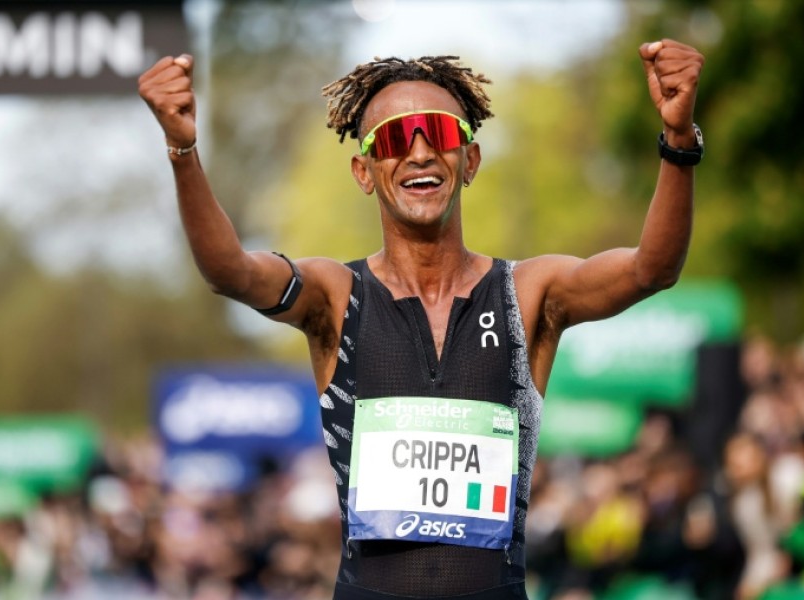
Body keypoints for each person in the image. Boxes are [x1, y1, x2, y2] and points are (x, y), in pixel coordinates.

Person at [138, 39, 704, 600]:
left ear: (469, 160)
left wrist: (678, 142)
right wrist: (182, 150)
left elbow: (651, 269)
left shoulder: (529, 293)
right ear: (364, 171)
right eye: (392, 138)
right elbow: (229, 272)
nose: (418, 152)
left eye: (436, 132)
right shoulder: (335, 297)